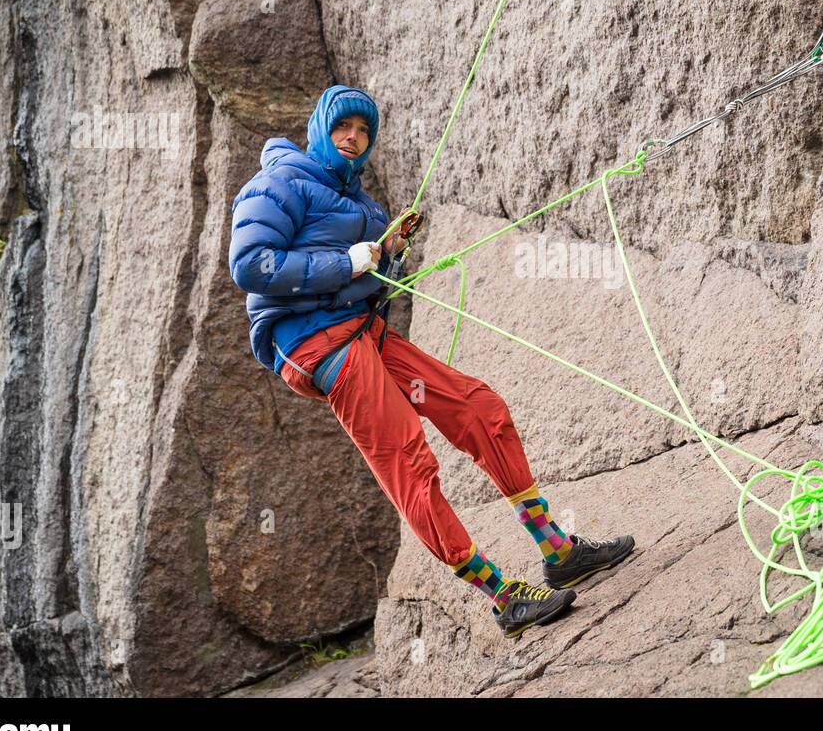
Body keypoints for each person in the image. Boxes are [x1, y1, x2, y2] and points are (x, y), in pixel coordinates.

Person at [228, 84, 634, 638]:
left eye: (364, 131)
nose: (353, 138)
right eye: (343, 126)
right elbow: (251, 263)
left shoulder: (365, 208)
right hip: (316, 346)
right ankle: (502, 596)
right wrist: (345, 260)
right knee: (409, 461)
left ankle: (558, 551)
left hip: (363, 333)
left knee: (478, 408)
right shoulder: (277, 182)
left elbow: (367, 284)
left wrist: (388, 255)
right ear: (320, 128)